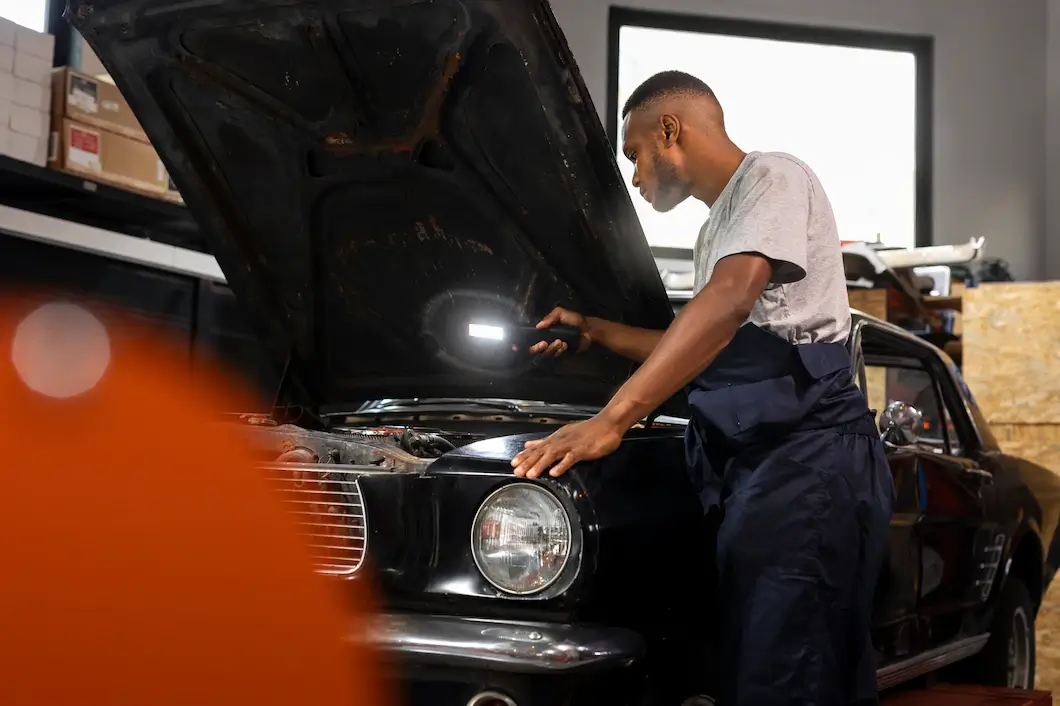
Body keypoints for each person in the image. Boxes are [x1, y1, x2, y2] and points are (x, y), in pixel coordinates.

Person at [510, 70, 895, 706]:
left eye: (634, 154)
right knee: (768, 666)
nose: (634, 177)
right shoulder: (722, 226)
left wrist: (611, 420)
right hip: (761, 464)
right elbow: (708, 338)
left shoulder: (773, 174)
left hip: (808, 462)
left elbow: (727, 305)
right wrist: (595, 332)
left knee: (785, 677)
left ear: (670, 129)